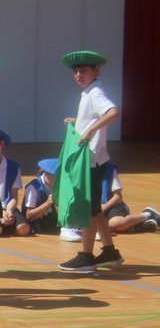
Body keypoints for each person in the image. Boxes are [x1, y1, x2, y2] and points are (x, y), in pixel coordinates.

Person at [57, 51, 123, 271]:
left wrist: (90, 129)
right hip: (95, 159)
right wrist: (79, 123)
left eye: (83, 70)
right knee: (95, 208)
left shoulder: (95, 92)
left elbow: (113, 112)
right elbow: (96, 116)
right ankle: (109, 251)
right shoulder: (88, 92)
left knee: (89, 209)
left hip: (92, 161)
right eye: (75, 71)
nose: (78, 74)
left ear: (97, 70)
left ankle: (86, 254)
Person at [96, 163, 158, 234]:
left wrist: (104, 207)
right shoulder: (83, 172)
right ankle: (139, 225)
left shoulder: (110, 171)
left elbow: (118, 197)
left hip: (113, 206)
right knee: (103, 227)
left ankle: (147, 215)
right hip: (95, 209)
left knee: (115, 223)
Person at [22, 158, 62, 236]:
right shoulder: (33, 187)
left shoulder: (61, 185)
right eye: (56, 176)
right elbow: (28, 216)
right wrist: (48, 203)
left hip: (54, 227)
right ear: (46, 174)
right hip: (37, 227)